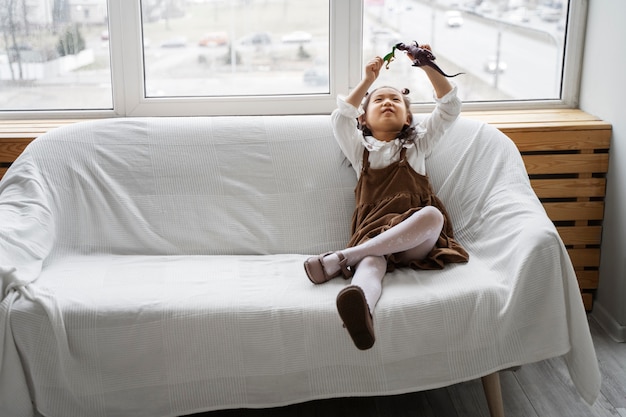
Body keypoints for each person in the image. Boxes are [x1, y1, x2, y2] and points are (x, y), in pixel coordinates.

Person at [304, 46, 469, 350]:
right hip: (374, 234)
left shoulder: (417, 146)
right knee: (371, 266)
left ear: (408, 120)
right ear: (363, 120)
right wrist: (368, 81)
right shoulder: (361, 152)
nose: (388, 103)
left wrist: (428, 66)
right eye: (378, 100)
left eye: (396, 100)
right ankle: (362, 311)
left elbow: (449, 108)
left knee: (433, 215)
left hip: (415, 239)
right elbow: (341, 120)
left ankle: (341, 259)